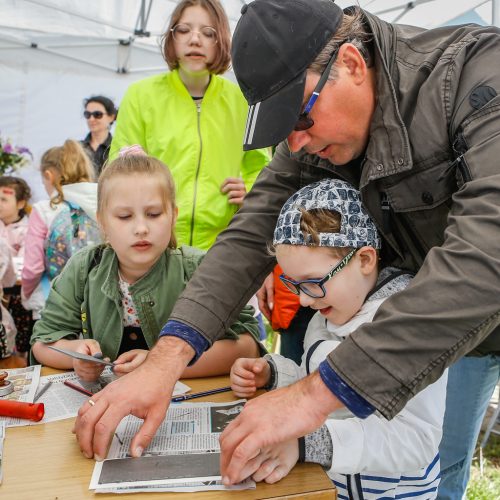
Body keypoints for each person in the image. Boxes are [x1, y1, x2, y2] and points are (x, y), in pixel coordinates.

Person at [72, 1, 500, 494]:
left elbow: (485, 258)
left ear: (352, 66)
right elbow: (250, 230)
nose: (294, 145)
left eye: (298, 119)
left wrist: (312, 397)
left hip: (473, 319)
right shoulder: (318, 125)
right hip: (402, 318)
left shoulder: (477, 77)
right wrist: (166, 360)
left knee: (440, 461)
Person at [231, 179, 445, 497]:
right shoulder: (330, 307)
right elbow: (317, 381)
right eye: (293, 284)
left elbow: (416, 437)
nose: (304, 301)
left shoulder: (410, 327)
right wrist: (276, 373)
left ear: (364, 260)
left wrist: (312, 443)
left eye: (312, 282)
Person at [30, 153, 261, 382]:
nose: (141, 228)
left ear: (173, 216)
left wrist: (159, 364)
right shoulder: (83, 268)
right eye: (124, 216)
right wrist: (76, 355)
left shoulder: (200, 269)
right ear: (102, 222)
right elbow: (43, 343)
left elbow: (247, 346)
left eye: (153, 214)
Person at [108, 0, 269, 251]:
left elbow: (262, 167)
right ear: (171, 38)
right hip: (155, 244)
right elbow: (118, 169)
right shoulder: (140, 96)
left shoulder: (242, 101)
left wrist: (249, 190)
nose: (195, 39)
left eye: (208, 32)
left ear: (222, 41)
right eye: (184, 30)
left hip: (222, 247)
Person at [21, 140, 97, 318]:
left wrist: (26, 294)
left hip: (53, 303)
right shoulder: (102, 203)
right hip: (98, 303)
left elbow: (33, 268)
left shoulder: (44, 210)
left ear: (49, 175)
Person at [0, 176, 32, 354]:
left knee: (19, 337)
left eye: (4, 199)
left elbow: (23, 264)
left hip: (16, 292)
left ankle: (18, 356)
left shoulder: (27, 229)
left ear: (20, 203)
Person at [81, 95, 117, 177]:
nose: (91, 119)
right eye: (87, 114)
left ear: (111, 117)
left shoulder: (118, 149)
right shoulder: (76, 148)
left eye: (97, 114)